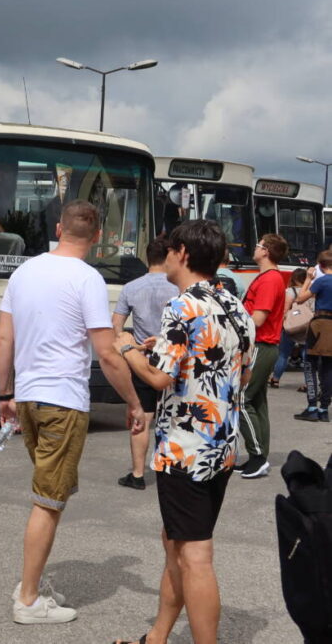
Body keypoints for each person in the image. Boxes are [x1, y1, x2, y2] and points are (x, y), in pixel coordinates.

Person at [0, 199, 145, 626]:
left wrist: (4, 393)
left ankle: (33, 581)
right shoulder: (88, 279)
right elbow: (107, 352)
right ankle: (27, 599)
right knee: (48, 502)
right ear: (97, 237)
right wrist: (133, 403)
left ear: (59, 227)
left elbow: (4, 338)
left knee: (48, 493)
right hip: (63, 399)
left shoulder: (24, 272)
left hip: (27, 398)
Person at [112, 219, 255, 644]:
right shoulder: (234, 306)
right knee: (176, 541)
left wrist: (125, 349)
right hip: (221, 447)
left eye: (171, 249)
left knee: (194, 555)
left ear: (184, 254)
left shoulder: (182, 305)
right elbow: (240, 376)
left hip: (185, 448)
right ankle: (157, 637)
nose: (167, 255)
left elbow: (157, 380)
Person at [111, 236, 179, 490]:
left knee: (143, 416)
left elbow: (116, 325)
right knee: (175, 415)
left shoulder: (131, 287)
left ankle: (138, 474)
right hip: (172, 357)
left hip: (141, 360)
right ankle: (172, 469)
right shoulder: (178, 287)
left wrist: (131, 345)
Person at [238, 233, 288, 479]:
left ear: (266, 250)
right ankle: (258, 456)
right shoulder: (270, 277)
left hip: (260, 344)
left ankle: (257, 456)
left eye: (258, 245)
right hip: (263, 345)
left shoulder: (269, 279)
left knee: (241, 399)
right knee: (257, 402)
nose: (255, 248)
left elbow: (258, 318)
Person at [291, 251, 332, 422]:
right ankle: (324, 408)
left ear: (320, 266)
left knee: (310, 364)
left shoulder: (321, 281)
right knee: (329, 368)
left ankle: (312, 406)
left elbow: (300, 299)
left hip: (319, 324)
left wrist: (308, 278)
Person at [269, 268, 308, 389]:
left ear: (294, 278)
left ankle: (275, 380)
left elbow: (285, 310)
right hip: (306, 327)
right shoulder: (310, 291)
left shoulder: (290, 291)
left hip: (291, 327)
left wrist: (282, 324)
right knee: (306, 356)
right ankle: (308, 383)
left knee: (283, 354)